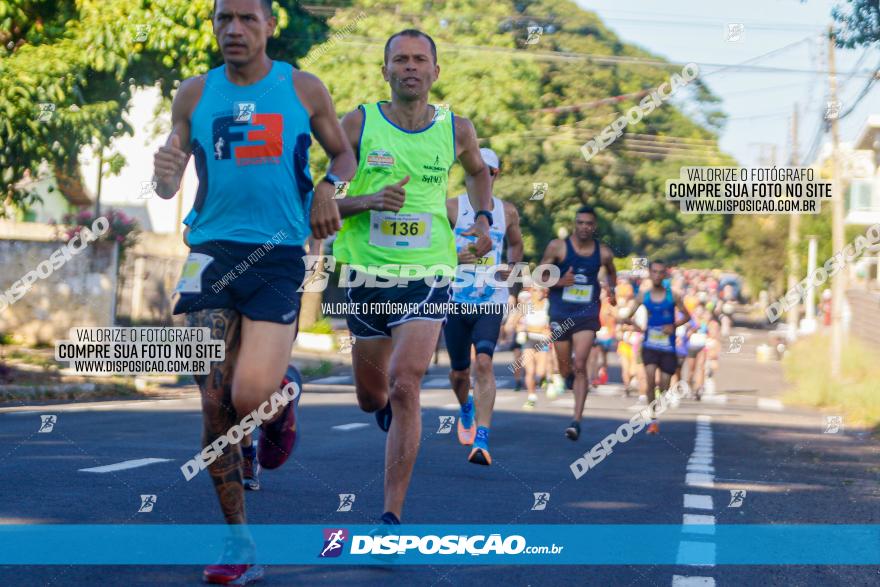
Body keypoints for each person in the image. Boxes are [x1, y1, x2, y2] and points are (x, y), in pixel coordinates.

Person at [152, 0, 356, 582]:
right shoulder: (193, 94)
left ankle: (281, 394)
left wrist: (327, 186)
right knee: (215, 404)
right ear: (213, 27)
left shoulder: (304, 88)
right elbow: (168, 184)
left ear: (270, 25)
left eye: (246, 18)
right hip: (211, 253)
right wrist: (165, 174)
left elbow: (343, 151)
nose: (233, 29)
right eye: (223, 19)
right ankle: (239, 544)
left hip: (279, 257)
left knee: (250, 395)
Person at [333, 29, 492, 526]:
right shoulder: (357, 124)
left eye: (419, 59)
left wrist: (482, 218)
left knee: (406, 384)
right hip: (366, 273)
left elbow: (477, 172)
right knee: (371, 396)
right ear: (385, 71)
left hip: (429, 271)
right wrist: (368, 201)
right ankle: (381, 408)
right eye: (399, 59)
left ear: (435, 71)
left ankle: (391, 513)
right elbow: (324, 201)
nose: (410, 67)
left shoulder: (456, 129)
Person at [443, 148, 524, 465]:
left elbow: (516, 244)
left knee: (485, 364)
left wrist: (512, 269)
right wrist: (452, 258)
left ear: (495, 175)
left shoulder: (508, 212)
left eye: (488, 172)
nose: (481, 177)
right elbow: (428, 246)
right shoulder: (451, 207)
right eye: (475, 171)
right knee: (459, 373)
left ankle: (482, 439)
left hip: (491, 300)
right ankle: (466, 410)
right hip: (455, 301)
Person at [540, 206, 617, 440]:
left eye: (589, 223)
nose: (584, 227)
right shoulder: (558, 247)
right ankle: (568, 377)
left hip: (587, 314)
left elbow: (612, 273)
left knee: (581, 363)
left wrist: (612, 289)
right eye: (580, 222)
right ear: (575, 224)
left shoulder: (603, 253)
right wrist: (559, 281)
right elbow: (539, 275)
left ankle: (576, 421)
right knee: (565, 367)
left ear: (594, 227)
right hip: (561, 313)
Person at [626, 260, 690, 434]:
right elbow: (627, 317)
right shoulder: (644, 296)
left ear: (665, 275)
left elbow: (687, 316)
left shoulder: (673, 296)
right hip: (650, 345)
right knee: (649, 379)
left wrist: (673, 326)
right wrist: (638, 328)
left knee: (664, 385)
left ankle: (659, 403)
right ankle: (653, 419)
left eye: (660, 272)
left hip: (667, 347)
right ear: (649, 273)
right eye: (653, 272)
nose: (656, 275)